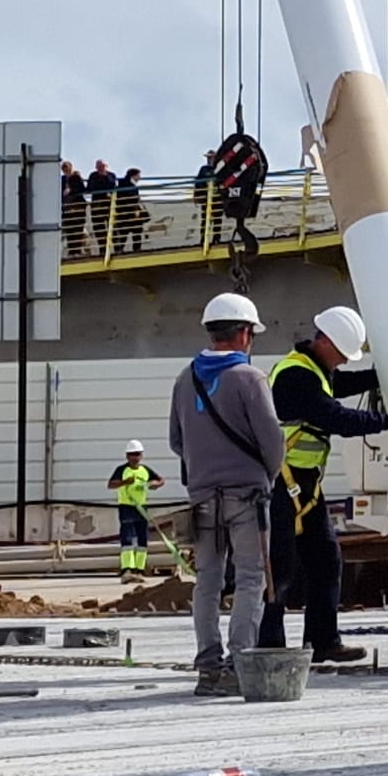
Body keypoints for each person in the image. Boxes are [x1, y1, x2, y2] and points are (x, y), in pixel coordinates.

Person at [259, 306, 388, 664]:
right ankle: (269, 647)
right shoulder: (295, 375)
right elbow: (336, 418)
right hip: (283, 483)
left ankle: (323, 641)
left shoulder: (314, 370)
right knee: (281, 567)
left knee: (326, 560)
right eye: (342, 354)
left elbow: (340, 386)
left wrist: (378, 376)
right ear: (324, 342)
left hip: (305, 484)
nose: (343, 361)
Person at [168, 292, 282, 697]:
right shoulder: (250, 378)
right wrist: (264, 476)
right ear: (246, 333)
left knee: (207, 582)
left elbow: (176, 440)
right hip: (247, 495)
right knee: (250, 578)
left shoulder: (185, 379)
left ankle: (208, 667)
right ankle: (239, 663)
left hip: (202, 498)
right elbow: (273, 442)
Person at [107, 440, 165, 582]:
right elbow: (111, 484)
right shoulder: (122, 470)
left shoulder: (145, 470)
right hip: (126, 507)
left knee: (142, 538)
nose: (135, 457)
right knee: (127, 538)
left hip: (141, 508)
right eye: (132, 454)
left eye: (137, 454)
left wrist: (153, 484)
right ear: (127, 456)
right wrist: (125, 482)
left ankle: (139, 569)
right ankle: (127, 569)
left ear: (141, 455)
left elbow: (161, 480)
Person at [86, 161, 119, 254]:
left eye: (103, 166)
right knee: (98, 228)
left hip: (109, 204)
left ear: (106, 166)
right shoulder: (93, 176)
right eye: (99, 166)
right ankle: (102, 249)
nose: (101, 168)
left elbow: (114, 187)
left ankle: (117, 248)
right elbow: (90, 188)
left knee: (113, 226)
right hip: (97, 205)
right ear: (96, 167)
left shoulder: (111, 175)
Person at [60, 160, 88, 258]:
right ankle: (71, 251)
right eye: (64, 169)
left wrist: (71, 190)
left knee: (78, 229)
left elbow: (82, 189)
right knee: (69, 230)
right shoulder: (62, 179)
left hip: (77, 206)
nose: (66, 171)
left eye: (67, 168)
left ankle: (77, 250)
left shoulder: (76, 177)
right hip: (67, 208)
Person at [192, 151, 220, 246]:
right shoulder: (204, 169)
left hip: (217, 198)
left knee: (217, 219)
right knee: (205, 219)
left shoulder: (220, 168)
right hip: (206, 197)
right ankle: (203, 239)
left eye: (211, 157)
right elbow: (198, 182)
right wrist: (196, 194)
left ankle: (216, 239)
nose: (209, 159)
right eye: (208, 158)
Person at [117, 168, 149, 253]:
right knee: (129, 231)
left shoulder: (127, 184)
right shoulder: (125, 184)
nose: (139, 177)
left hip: (129, 212)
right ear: (133, 175)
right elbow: (128, 197)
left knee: (131, 231)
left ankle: (123, 249)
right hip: (127, 212)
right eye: (138, 175)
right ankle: (134, 249)